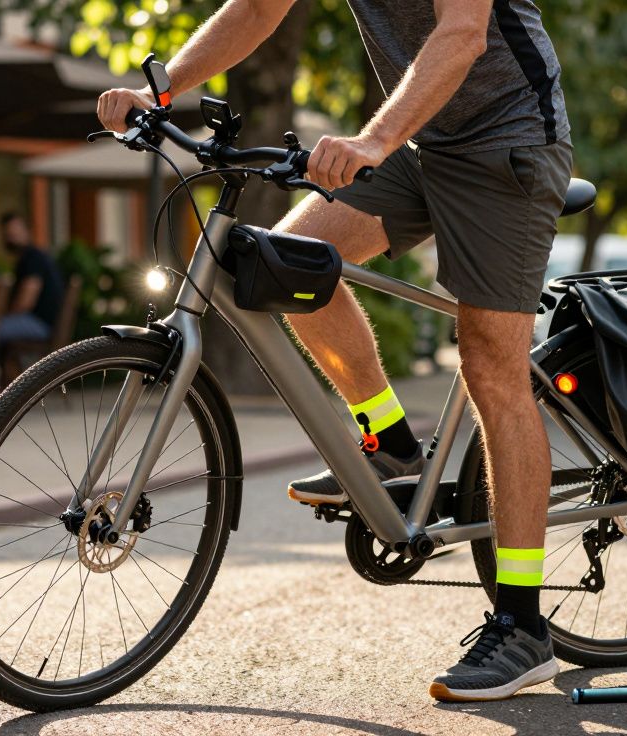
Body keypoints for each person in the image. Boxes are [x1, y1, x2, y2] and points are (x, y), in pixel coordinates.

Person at [99, 0, 572, 702]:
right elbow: (258, 7)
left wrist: (374, 140)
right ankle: (388, 443)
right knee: (280, 265)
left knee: (489, 363)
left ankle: (524, 624)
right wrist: (160, 89)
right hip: (425, 144)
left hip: (510, 141)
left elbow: (463, 32)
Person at [0, 213, 65, 345]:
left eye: (15, 233)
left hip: (40, 323)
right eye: (7, 234)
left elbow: (25, 302)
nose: (11, 238)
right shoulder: (30, 257)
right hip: (42, 323)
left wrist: (4, 314)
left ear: (27, 231)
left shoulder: (32, 259)